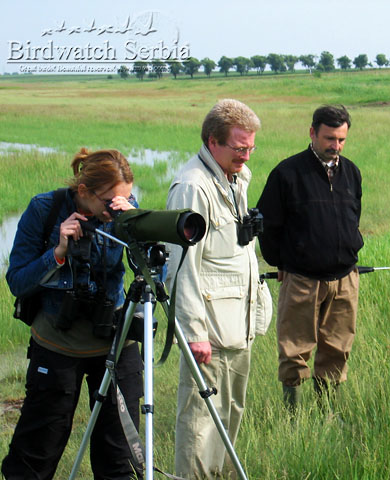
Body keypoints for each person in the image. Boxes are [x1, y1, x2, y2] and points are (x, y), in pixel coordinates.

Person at [2, 148, 142, 480]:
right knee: (36, 454)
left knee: (118, 458)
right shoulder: (44, 209)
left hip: (114, 342)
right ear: (83, 192)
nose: (115, 208)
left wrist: (133, 225)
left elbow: (153, 272)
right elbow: (18, 281)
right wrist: (58, 253)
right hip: (57, 344)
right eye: (109, 201)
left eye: (123, 199)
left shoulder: (125, 211)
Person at [165, 98, 262, 478]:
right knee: (200, 422)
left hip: (238, 324)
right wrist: (194, 333)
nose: (246, 155)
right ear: (212, 142)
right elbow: (182, 266)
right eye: (240, 148)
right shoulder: (192, 187)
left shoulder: (237, 178)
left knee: (230, 415)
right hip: (209, 332)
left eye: (251, 147)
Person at [256, 104, 364, 412]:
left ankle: (329, 413)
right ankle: (292, 416)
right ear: (312, 132)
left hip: (345, 279)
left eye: (341, 140)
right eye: (330, 138)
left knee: (337, 349)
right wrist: (283, 265)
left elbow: (353, 218)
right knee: (294, 352)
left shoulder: (351, 173)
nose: (336, 146)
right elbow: (268, 226)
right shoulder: (287, 173)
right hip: (301, 279)